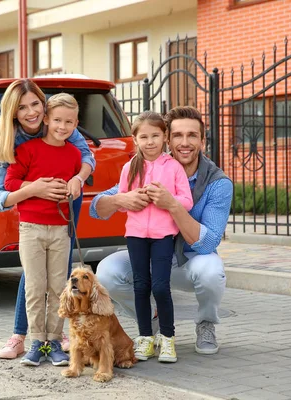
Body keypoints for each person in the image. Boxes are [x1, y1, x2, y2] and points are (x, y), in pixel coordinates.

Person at [91, 106, 233, 356]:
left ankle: (206, 324)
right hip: (147, 248)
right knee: (107, 272)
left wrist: (173, 206)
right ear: (168, 138)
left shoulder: (217, 183)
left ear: (203, 140)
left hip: (189, 259)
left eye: (192, 135)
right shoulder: (144, 167)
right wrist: (120, 200)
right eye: (178, 135)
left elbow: (208, 244)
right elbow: (97, 207)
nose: (185, 143)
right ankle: (151, 323)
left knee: (211, 272)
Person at [0, 79, 95, 360]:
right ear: (13, 113)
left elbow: (86, 157)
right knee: (34, 277)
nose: (31, 112)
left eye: (36, 103)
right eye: (22, 107)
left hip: (63, 211)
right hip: (33, 216)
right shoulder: (13, 142)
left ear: (44, 107)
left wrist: (77, 179)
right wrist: (34, 188)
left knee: (57, 277)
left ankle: (55, 337)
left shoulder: (62, 126)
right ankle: (22, 336)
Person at [3, 93, 82, 366]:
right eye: (57, 120)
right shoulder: (27, 150)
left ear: (76, 124)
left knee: (59, 286)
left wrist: (74, 185)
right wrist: (36, 186)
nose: (62, 126)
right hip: (31, 228)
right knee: (35, 286)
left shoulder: (73, 154)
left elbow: (80, 173)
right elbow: (10, 183)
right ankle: (36, 342)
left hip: (61, 229)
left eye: (69, 122)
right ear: (46, 119)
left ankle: (54, 342)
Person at [118, 111, 193, 363]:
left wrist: (167, 200)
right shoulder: (129, 167)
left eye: (155, 136)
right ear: (135, 139)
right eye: (144, 137)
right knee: (141, 286)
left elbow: (187, 201)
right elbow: (120, 201)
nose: (150, 141)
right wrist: (133, 199)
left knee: (160, 287)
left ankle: (168, 339)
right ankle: (145, 338)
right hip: (136, 235)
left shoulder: (173, 167)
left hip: (163, 236)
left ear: (165, 137)